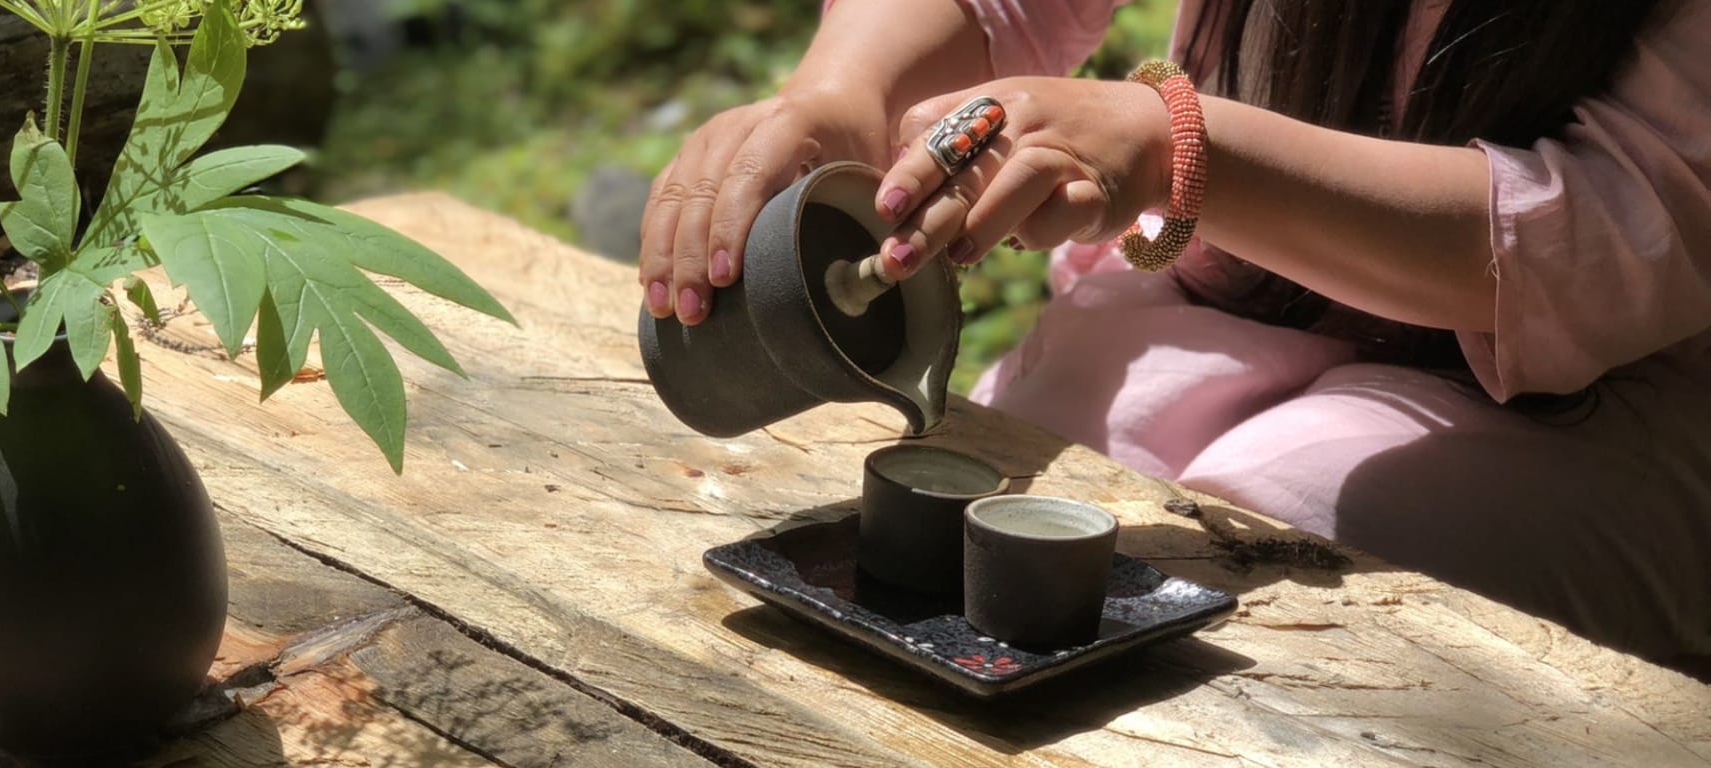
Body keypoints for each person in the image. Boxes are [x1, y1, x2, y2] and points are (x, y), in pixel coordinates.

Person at [636, 0, 1711, 673]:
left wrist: (1179, 152)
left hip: (1590, 405)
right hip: (1222, 289)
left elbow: (1625, 229)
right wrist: (844, 89)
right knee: (1012, 523)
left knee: (1260, 558)